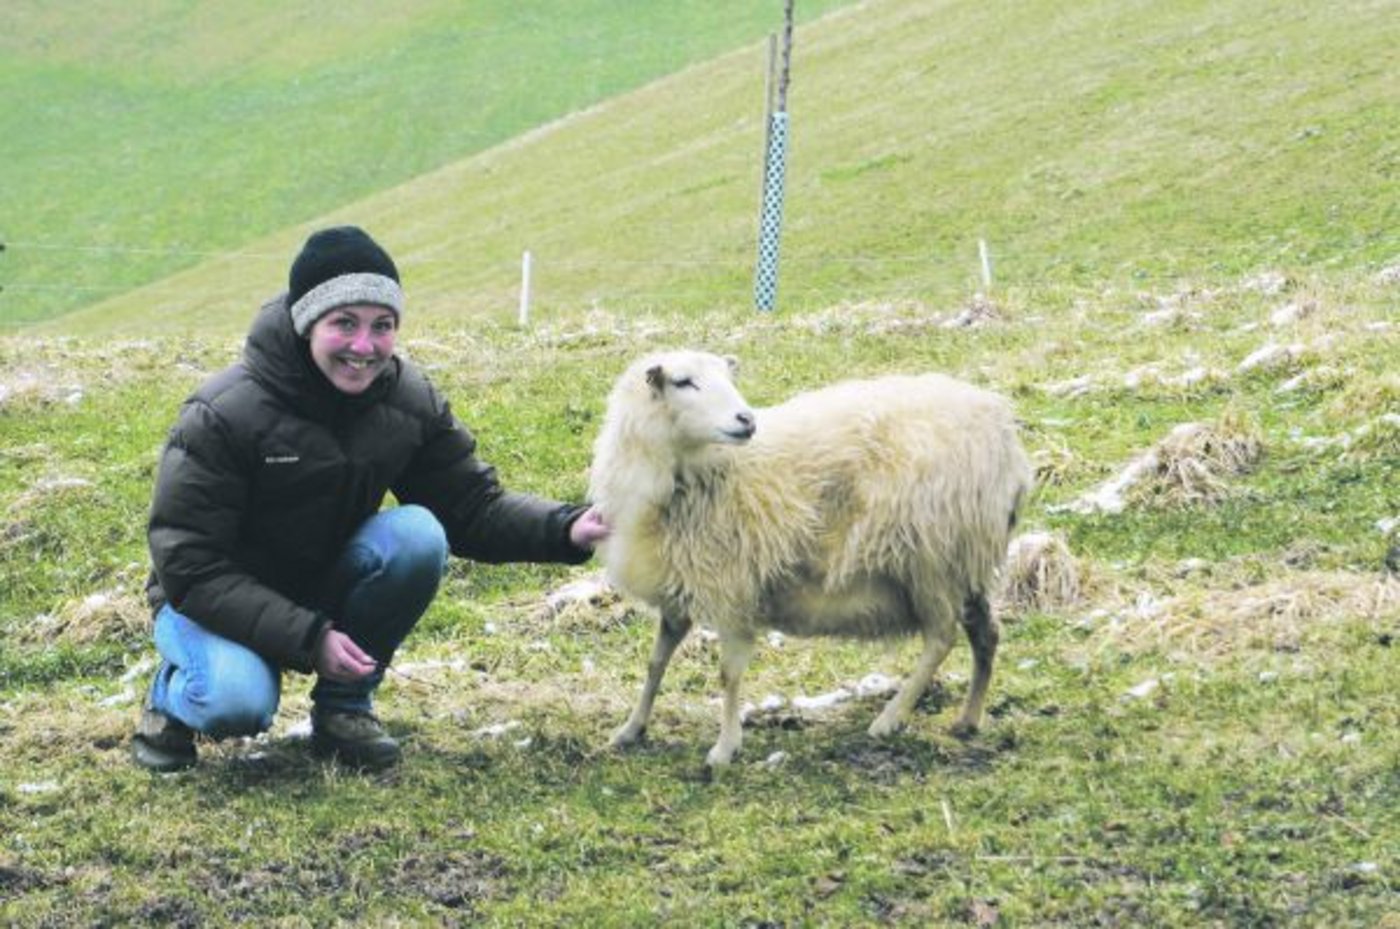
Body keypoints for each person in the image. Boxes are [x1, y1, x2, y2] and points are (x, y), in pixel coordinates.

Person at [132, 225, 608, 772]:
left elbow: (470, 509)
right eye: (344, 324)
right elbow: (190, 566)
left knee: (417, 535)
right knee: (236, 704)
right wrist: (310, 639)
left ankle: (344, 712)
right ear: (307, 323)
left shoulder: (408, 401)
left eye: (383, 327)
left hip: (313, 588)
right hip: (207, 605)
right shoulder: (223, 413)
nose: (365, 347)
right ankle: (170, 696)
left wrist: (568, 526)